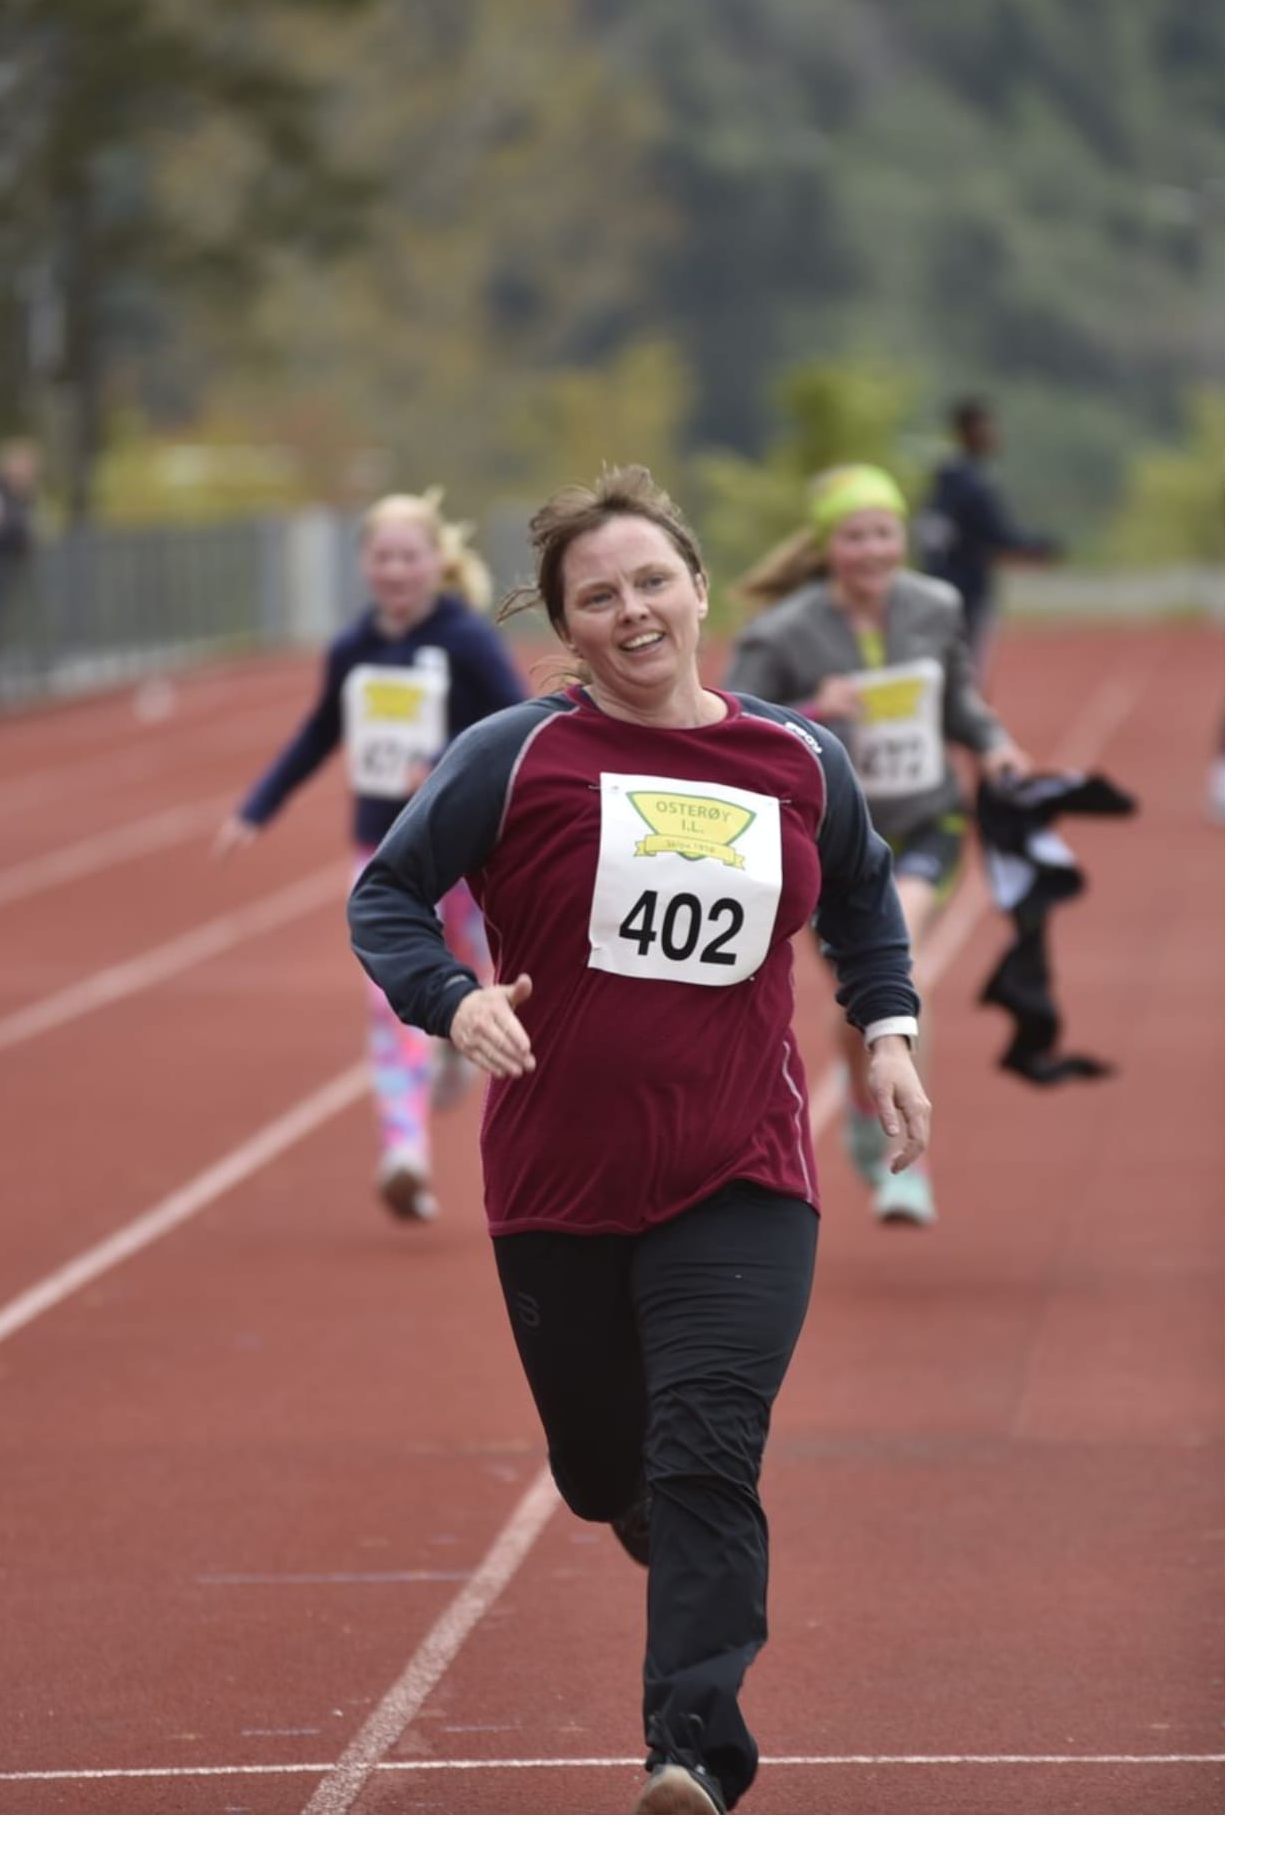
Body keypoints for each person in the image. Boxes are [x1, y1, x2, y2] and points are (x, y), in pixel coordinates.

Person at [350, 465, 928, 1816]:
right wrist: (453, 997)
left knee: (709, 1447)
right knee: (607, 1467)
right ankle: (640, 1512)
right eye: (600, 596)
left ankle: (692, 1753)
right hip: (559, 1178)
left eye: (654, 581)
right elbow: (387, 896)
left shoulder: (799, 758)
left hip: (742, 1171)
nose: (634, 611)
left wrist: (890, 1031)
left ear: (700, 589)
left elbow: (861, 897)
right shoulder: (516, 755)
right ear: (569, 626)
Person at [727, 463, 1030, 1226]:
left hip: (927, 821)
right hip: (830, 841)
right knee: (855, 999)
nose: (872, 550)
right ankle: (866, 1112)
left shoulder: (935, 606)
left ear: (903, 537)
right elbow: (734, 728)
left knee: (902, 973)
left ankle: (907, 1163)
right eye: (854, 536)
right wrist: (809, 707)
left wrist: (993, 744)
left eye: (884, 533)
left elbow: (958, 698)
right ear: (827, 545)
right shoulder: (782, 632)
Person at [217, 489, 527, 1219]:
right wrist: (257, 807)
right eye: (382, 557)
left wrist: (446, 768)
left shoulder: (468, 641)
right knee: (391, 996)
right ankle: (404, 1153)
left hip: (467, 852)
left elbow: (520, 726)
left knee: (476, 974)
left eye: (408, 556)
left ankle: (453, 1043)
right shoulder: (353, 648)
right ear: (363, 564)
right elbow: (318, 732)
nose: (395, 570)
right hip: (387, 854)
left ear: (437, 562)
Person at [923, 397, 1057, 664]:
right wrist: (1038, 546)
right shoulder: (972, 482)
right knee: (967, 663)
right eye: (986, 427)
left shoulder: (946, 477)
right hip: (968, 587)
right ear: (965, 431)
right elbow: (996, 533)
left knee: (950, 660)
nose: (994, 434)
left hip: (943, 584)